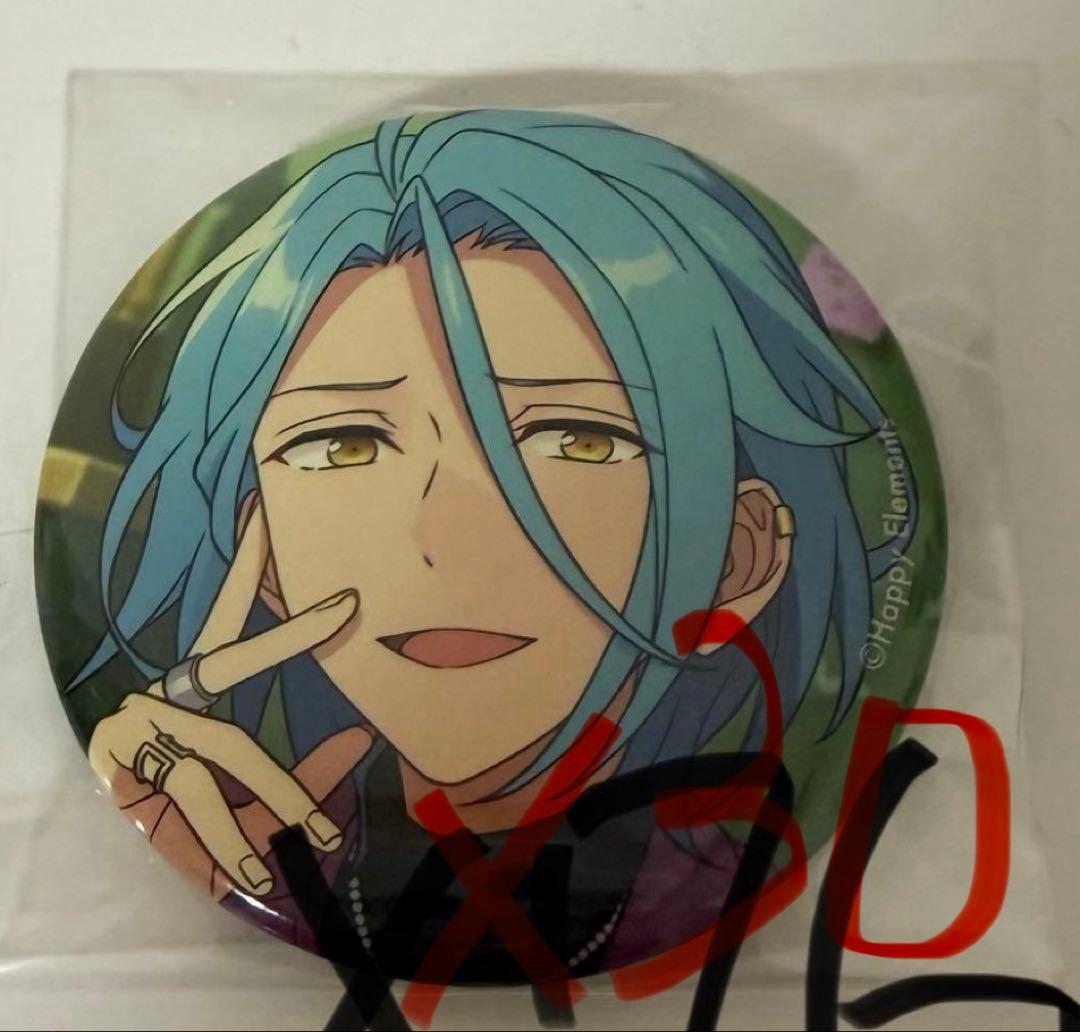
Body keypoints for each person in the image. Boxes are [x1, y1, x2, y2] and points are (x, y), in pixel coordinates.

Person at [71, 108, 911, 980]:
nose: (447, 539)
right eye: (343, 444)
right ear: (268, 555)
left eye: (575, 438)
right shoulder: (261, 858)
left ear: (735, 555)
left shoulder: (758, 883)